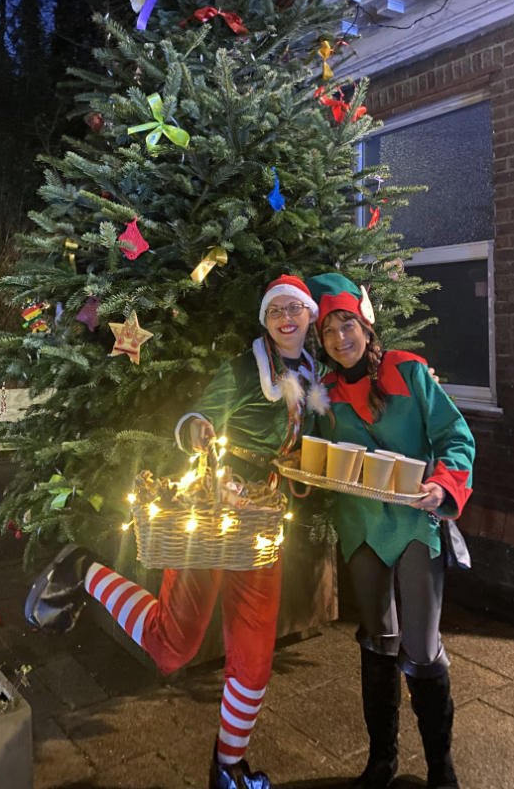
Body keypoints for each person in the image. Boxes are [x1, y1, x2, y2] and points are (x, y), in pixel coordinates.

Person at [24, 275, 328, 789]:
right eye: (275, 310)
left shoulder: (314, 373)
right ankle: (83, 568)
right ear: (265, 319)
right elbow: (197, 415)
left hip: (262, 524)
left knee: (254, 656)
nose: (285, 318)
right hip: (211, 512)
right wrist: (197, 429)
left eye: (294, 309)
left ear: (309, 315)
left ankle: (228, 766)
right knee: (173, 646)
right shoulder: (246, 368)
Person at [305, 273, 475, 789]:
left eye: (347, 325)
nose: (340, 338)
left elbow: (456, 436)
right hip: (360, 527)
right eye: (329, 330)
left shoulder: (409, 371)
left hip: (415, 524)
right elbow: (308, 455)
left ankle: (441, 767)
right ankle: (382, 761)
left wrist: (444, 484)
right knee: (378, 640)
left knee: (421, 646)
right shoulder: (323, 393)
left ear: (366, 327)